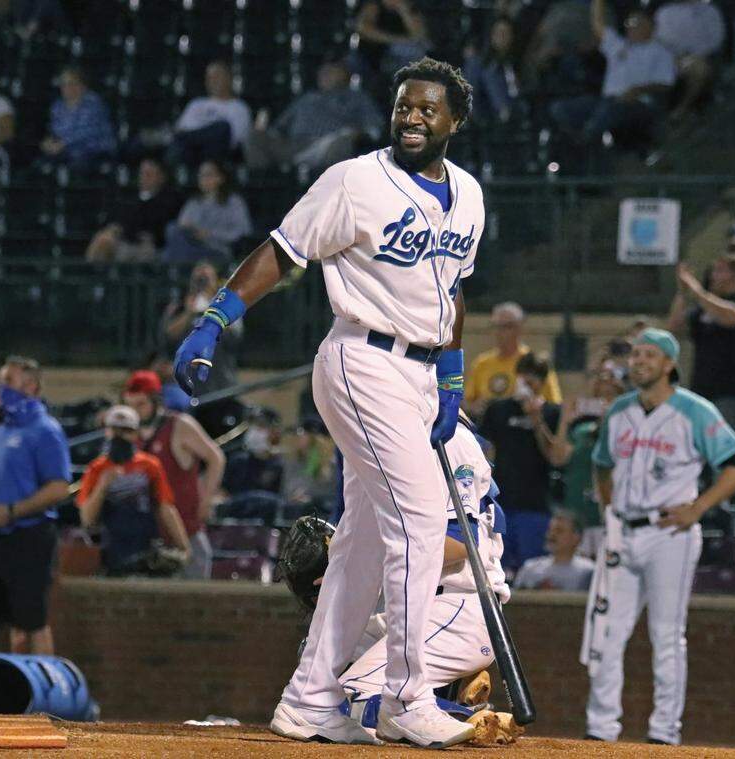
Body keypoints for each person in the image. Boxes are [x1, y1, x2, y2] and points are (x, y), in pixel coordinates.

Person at [172, 57, 484, 747]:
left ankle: (310, 700)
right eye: (404, 104)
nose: (412, 116)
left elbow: (452, 288)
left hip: (421, 372)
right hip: (360, 358)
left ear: (455, 121)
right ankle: (406, 694)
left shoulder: (468, 194)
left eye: (428, 109)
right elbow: (282, 251)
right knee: (422, 517)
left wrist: (453, 375)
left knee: (364, 545)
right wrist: (215, 318)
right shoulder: (354, 180)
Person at [582, 329, 735, 746]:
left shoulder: (695, 411)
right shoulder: (620, 410)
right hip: (624, 531)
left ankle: (664, 733)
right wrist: (609, 510)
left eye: (649, 355)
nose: (639, 361)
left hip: (669, 533)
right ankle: (601, 730)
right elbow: (601, 463)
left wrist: (698, 507)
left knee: (666, 634)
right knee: (608, 632)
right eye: (636, 354)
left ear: (669, 364)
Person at [339, 414, 509, 732]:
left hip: (458, 607)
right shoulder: (413, 437)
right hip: (417, 606)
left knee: (354, 701)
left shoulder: (452, 441)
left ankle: (471, 718)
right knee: (318, 670)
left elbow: (460, 545)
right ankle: (444, 689)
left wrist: (373, 567)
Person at [0, 356, 70, 655]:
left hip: (29, 536)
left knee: (32, 620)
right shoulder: (1, 429)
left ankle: (44, 689)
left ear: (31, 386)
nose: (1, 388)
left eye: (9, 381)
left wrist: (14, 511)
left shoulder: (45, 430)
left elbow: (58, 487)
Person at [122, 370, 225, 581]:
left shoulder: (179, 426)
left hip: (186, 536)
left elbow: (216, 458)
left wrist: (206, 500)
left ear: (155, 401)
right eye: (130, 406)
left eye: (140, 405)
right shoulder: (130, 436)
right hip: (151, 539)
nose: (135, 412)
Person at [76, 406, 191, 577]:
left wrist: (184, 546)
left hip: (145, 544)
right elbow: (87, 519)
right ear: (107, 432)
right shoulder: (97, 469)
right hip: (112, 547)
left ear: (136, 433)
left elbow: (165, 507)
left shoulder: (150, 465)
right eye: (115, 430)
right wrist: (102, 486)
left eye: (126, 430)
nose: (120, 436)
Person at [668, 254, 735, 446]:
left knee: (733, 456)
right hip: (703, 393)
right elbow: (675, 328)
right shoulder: (703, 309)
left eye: (719, 271)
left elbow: (732, 317)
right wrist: (682, 293)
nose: (713, 276)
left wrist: (697, 290)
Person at [548, 4, 675, 149]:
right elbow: (598, 24)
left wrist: (638, 90)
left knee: (607, 113)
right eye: (629, 23)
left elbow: (666, 83)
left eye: (636, 23)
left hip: (637, 103)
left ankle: (582, 145)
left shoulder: (661, 52)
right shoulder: (618, 45)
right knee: (559, 109)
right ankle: (578, 144)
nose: (631, 27)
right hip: (607, 100)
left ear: (649, 27)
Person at [479, 352, 561, 571]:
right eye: (524, 377)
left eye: (534, 379)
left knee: (532, 569)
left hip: (535, 504)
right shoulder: (498, 409)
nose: (528, 383)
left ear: (542, 383)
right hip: (501, 502)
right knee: (496, 568)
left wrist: (536, 420)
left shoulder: (552, 413)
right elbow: (484, 449)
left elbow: (553, 454)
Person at [546, 347, 630, 556]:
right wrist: (565, 420)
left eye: (609, 379)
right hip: (578, 520)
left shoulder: (630, 424)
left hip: (610, 517)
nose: (603, 384)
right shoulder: (582, 430)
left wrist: (612, 415)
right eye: (598, 379)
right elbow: (558, 458)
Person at [245, 61, 381, 173]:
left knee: (342, 141)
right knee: (255, 137)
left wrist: (356, 134)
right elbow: (279, 127)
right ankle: (263, 189)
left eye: (330, 71)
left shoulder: (357, 97)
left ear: (345, 75)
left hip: (325, 146)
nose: (324, 75)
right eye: (322, 72)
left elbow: (374, 129)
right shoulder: (307, 98)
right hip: (293, 145)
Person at [464, 302, 562, 418]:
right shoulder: (482, 363)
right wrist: (476, 407)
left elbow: (554, 404)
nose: (499, 332)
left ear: (519, 328)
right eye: (496, 326)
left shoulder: (534, 363)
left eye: (506, 327)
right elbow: (468, 403)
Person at [159, 261, 243, 391]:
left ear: (216, 281)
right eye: (199, 280)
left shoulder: (227, 305)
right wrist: (188, 313)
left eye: (206, 279)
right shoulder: (178, 307)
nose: (202, 283)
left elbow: (235, 335)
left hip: (221, 381)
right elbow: (169, 335)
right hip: (185, 382)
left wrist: (212, 310)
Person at [86, 157, 185, 263]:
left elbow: (159, 225)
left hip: (152, 244)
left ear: (161, 177)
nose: (144, 178)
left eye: (149, 174)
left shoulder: (170, 199)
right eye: (142, 173)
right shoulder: (131, 197)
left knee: (139, 251)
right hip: (126, 239)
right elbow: (120, 220)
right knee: (103, 238)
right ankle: (92, 274)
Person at [162, 160, 254, 265]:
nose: (203, 179)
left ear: (220, 178)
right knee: (172, 230)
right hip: (192, 246)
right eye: (201, 175)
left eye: (208, 175)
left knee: (172, 253)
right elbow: (181, 226)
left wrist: (210, 234)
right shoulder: (194, 203)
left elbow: (243, 231)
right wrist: (189, 228)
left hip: (218, 250)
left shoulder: (234, 202)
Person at [169, 60, 251, 167]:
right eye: (209, 78)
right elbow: (181, 131)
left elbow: (235, 140)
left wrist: (204, 134)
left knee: (222, 127)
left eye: (217, 76)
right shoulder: (196, 104)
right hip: (190, 153)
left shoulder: (239, 107)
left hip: (218, 154)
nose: (213, 81)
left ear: (229, 79)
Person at [653, 0, 725, 119]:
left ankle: (683, 108)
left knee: (699, 68)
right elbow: (660, 40)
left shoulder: (709, 11)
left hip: (699, 57)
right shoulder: (664, 13)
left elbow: (716, 39)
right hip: (671, 59)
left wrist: (694, 53)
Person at [39, 66, 117, 171]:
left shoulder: (93, 103)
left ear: (83, 86)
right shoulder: (57, 107)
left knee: (75, 164)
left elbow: (86, 133)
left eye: (72, 83)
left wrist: (62, 144)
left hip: (95, 153)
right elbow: (55, 132)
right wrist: (49, 142)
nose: (67, 87)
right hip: (69, 152)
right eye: (63, 84)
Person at [354, 0, 430, 86]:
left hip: (405, 56)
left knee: (418, 49)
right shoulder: (373, 4)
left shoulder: (410, 5)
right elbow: (363, 28)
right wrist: (397, 40)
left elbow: (419, 35)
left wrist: (402, 8)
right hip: (374, 57)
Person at [513, 510, 594, 591]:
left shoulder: (588, 571)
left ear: (576, 538)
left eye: (559, 531)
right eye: (550, 529)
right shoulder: (529, 568)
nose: (551, 534)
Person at [463, 16, 521, 124]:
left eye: (505, 33)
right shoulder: (478, 62)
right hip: (484, 111)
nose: (501, 37)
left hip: (513, 108)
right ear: (491, 36)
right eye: (498, 33)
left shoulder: (515, 62)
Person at [280, 417, 337, 512]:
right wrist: (294, 496)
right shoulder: (293, 462)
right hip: (291, 512)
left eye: (302, 434)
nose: (297, 438)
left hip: (319, 514)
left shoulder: (332, 465)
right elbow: (285, 491)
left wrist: (311, 499)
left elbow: (333, 496)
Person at [224, 408, 285, 496]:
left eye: (261, 426)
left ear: (275, 433)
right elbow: (222, 493)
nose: (254, 431)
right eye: (252, 425)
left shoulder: (279, 467)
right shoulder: (238, 462)